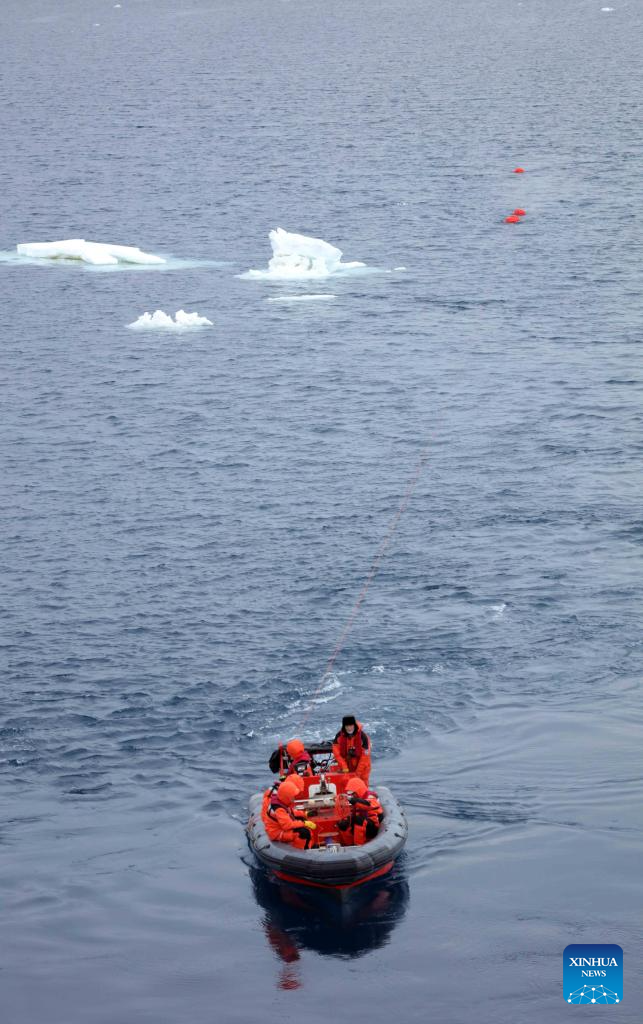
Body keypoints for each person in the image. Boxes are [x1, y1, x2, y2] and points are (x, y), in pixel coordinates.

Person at [264, 777, 317, 849]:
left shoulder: (282, 802)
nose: (294, 798)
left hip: (280, 827)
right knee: (302, 833)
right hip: (277, 833)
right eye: (292, 796)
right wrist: (304, 823)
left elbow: (291, 813)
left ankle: (310, 845)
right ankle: (302, 850)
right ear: (287, 796)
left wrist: (305, 814)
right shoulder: (279, 809)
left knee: (302, 821)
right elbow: (287, 825)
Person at [337, 777, 383, 847]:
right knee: (343, 823)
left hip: (373, 826)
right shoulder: (356, 798)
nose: (352, 795)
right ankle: (348, 845)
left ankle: (358, 846)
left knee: (358, 820)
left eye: (352, 793)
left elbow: (368, 804)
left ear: (358, 790)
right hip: (363, 824)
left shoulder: (370, 796)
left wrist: (352, 800)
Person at [332, 715, 371, 783]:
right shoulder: (339, 736)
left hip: (362, 768)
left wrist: (357, 773)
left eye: (351, 725)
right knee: (345, 784)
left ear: (354, 725)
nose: (349, 728)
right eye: (347, 726)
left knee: (361, 784)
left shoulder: (363, 737)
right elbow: (337, 753)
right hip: (346, 767)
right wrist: (344, 767)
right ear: (344, 726)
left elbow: (365, 757)